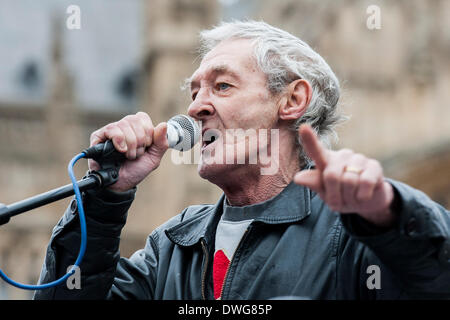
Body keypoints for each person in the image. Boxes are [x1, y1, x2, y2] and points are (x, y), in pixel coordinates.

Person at [34, 20, 450, 300]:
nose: (195, 107)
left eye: (222, 86)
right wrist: (105, 199)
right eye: (194, 91)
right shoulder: (171, 247)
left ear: (292, 100)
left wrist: (390, 214)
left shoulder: (352, 236)